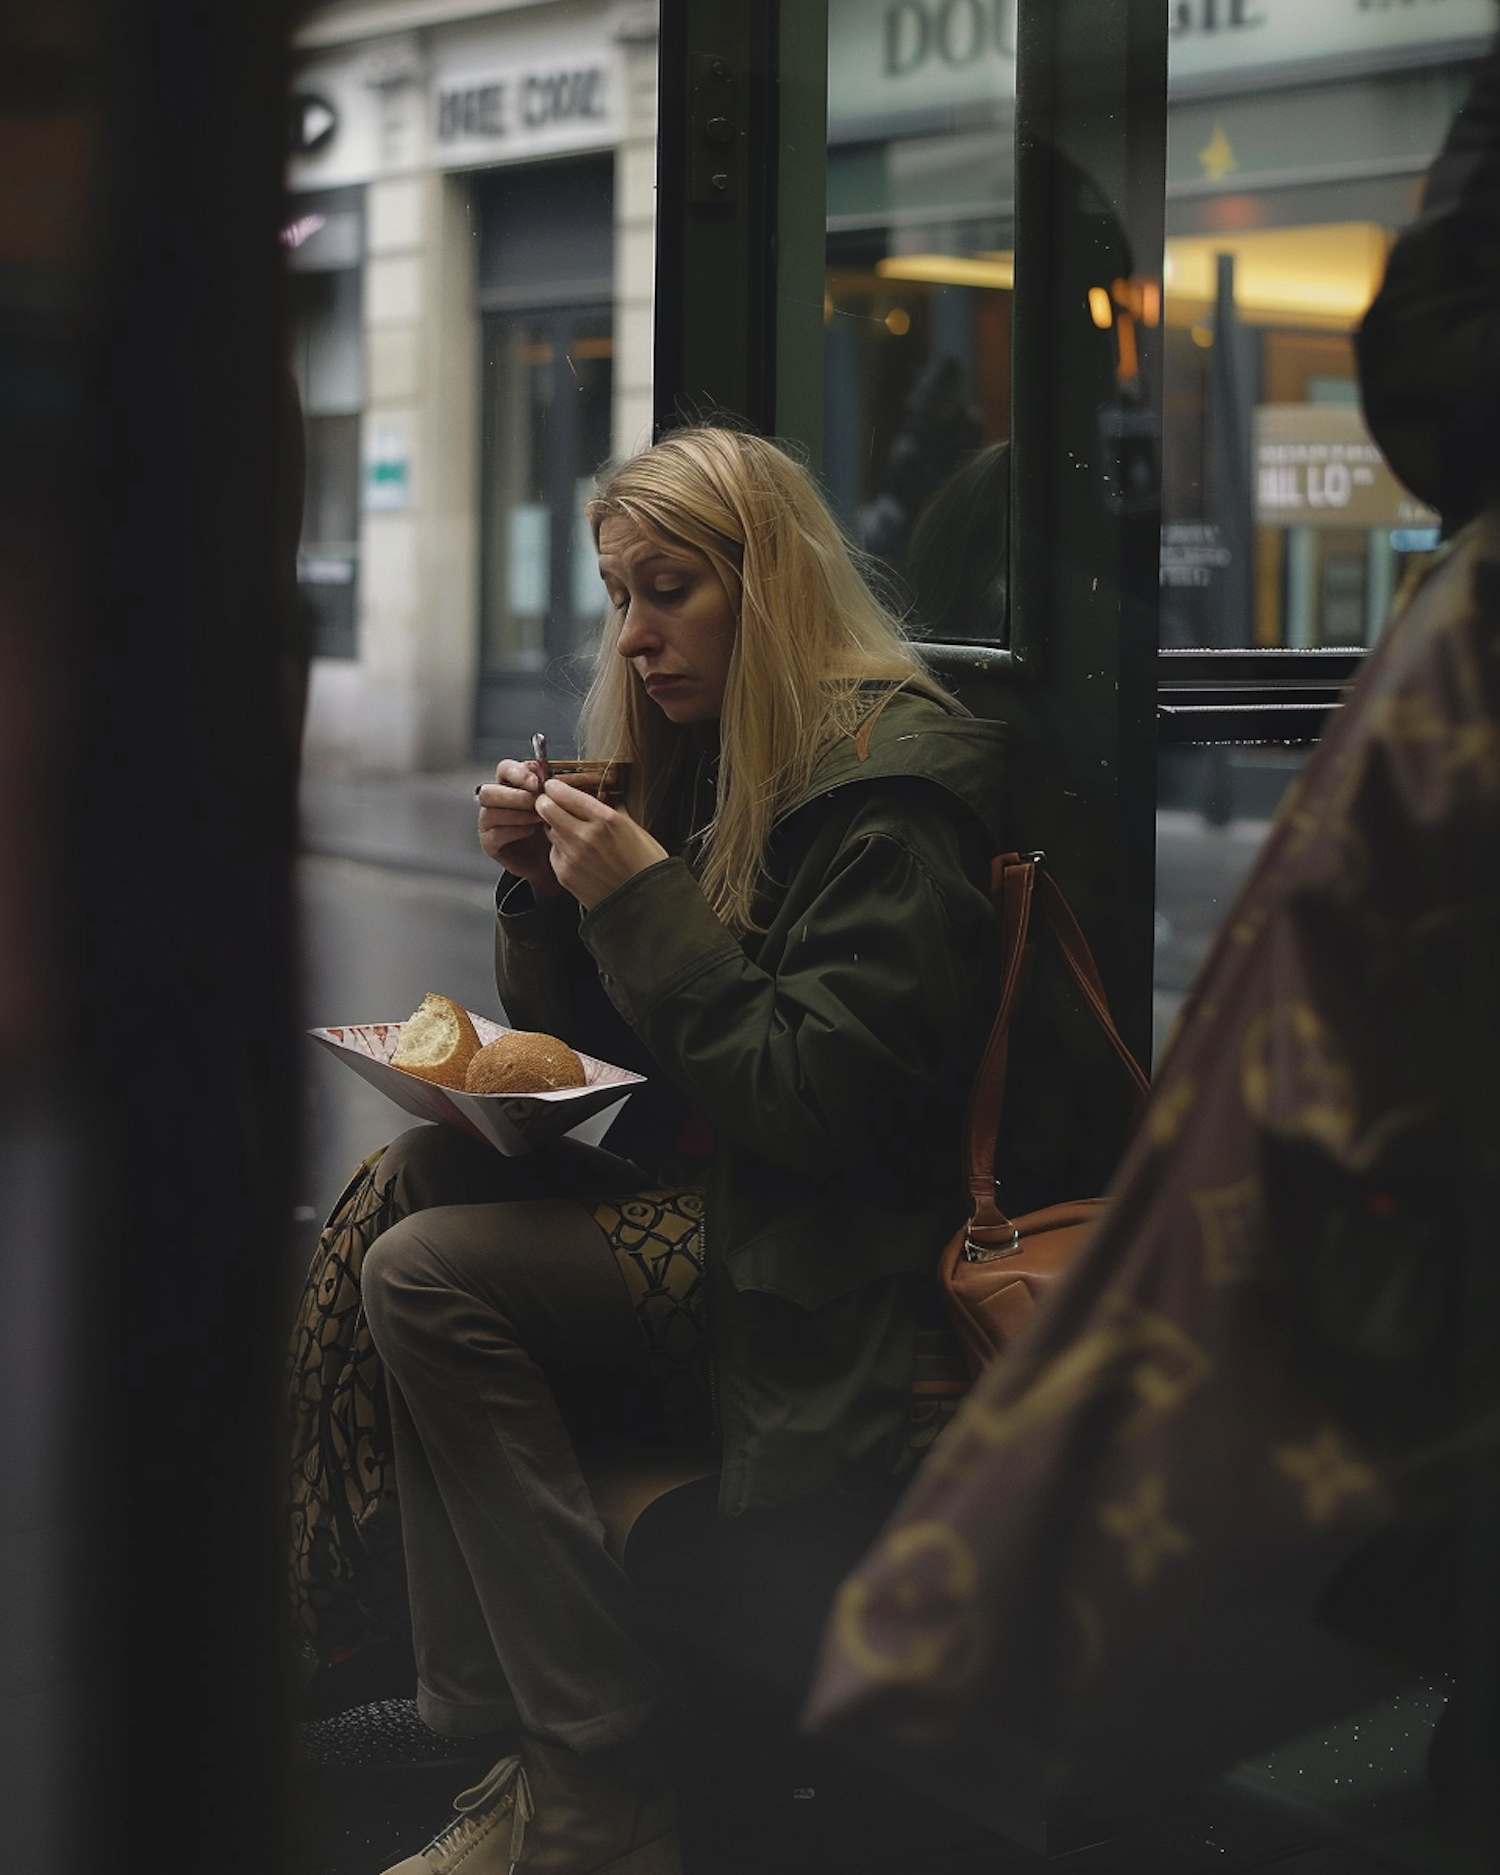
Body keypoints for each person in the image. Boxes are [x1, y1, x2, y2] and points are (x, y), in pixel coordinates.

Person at [293, 424, 1031, 1875]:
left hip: (832, 1250)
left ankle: (593, 1764)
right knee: (408, 1193)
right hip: (725, 1194)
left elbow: (823, 1104)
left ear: (774, 585)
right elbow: (614, 1049)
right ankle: (501, 1733)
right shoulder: (706, 756)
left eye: (669, 589)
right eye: (618, 595)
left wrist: (637, 900)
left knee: (433, 1273)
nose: (634, 636)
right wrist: (548, 897)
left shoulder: (889, 785)